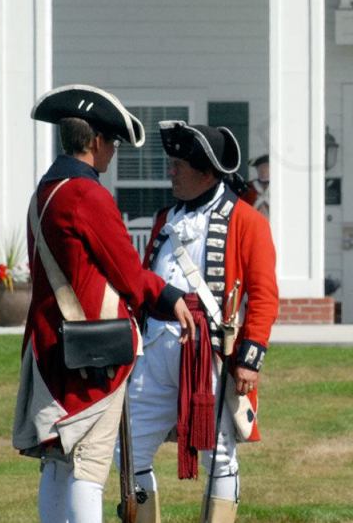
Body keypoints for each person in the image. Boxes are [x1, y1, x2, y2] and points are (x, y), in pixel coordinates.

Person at [13, 84, 196, 523]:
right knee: (90, 467)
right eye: (111, 141)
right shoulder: (86, 194)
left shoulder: (47, 189)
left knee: (59, 461)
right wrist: (169, 298)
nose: (113, 151)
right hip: (91, 354)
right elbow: (129, 274)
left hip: (51, 345)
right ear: (95, 141)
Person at [125, 121, 279, 523]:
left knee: (219, 456)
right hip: (155, 350)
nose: (170, 171)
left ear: (207, 171)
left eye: (179, 164)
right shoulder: (165, 220)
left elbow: (263, 295)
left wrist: (250, 357)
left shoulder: (247, 221)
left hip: (208, 356)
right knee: (131, 450)